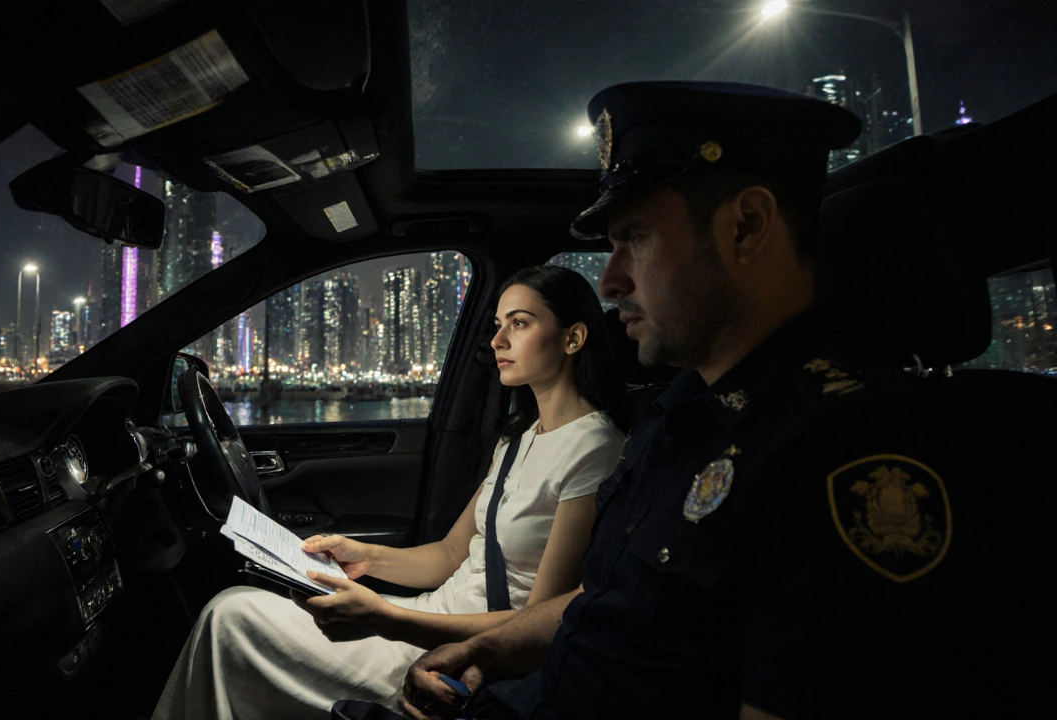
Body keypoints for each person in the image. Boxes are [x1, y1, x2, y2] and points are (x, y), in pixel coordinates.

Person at [333, 81, 992, 720]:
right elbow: (607, 598)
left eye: (635, 239)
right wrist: (489, 648)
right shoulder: (678, 414)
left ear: (747, 225)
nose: (613, 280)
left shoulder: (850, 456)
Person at [152, 266, 628, 720]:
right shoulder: (519, 437)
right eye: (498, 324)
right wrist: (362, 556)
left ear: (573, 337)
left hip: (460, 653)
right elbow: (448, 555)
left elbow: (537, 632)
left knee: (229, 617)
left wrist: (382, 617)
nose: (498, 340)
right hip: (427, 616)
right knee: (233, 607)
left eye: (519, 324)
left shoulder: (594, 448)